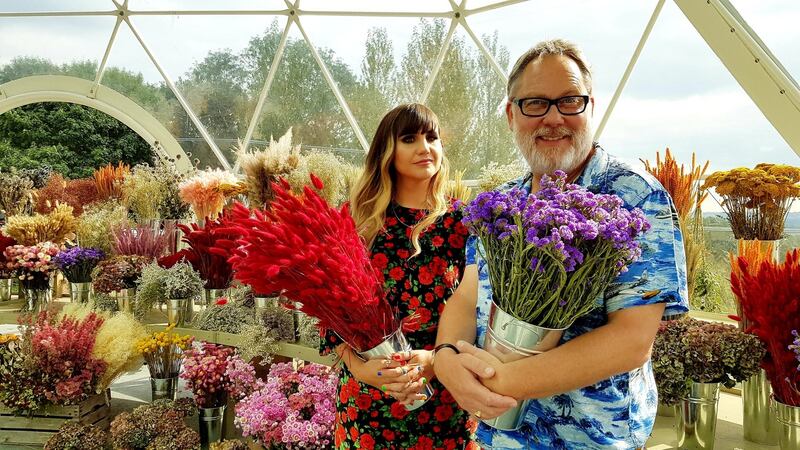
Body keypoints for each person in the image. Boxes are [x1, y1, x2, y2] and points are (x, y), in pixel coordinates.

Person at [433, 39, 689, 449]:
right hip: (498, 436)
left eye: (569, 101)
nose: (553, 118)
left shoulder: (635, 197)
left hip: (590, 439)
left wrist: (496, 383)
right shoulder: (501, 204)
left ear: (591, 107)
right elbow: (468, 295)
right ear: (511, 114)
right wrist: (445, 358)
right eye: (535, 103)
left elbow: (631, 341)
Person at [320, 103, 476, 450]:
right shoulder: (357, 220)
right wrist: (359, 369)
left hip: (443, 400)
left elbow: (482, 309)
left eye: (432, 137)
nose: (425, 147)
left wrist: (437, 361)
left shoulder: (464, 223)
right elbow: (325, 303)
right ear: (386, 153)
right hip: (367, 402)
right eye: (410, 138)